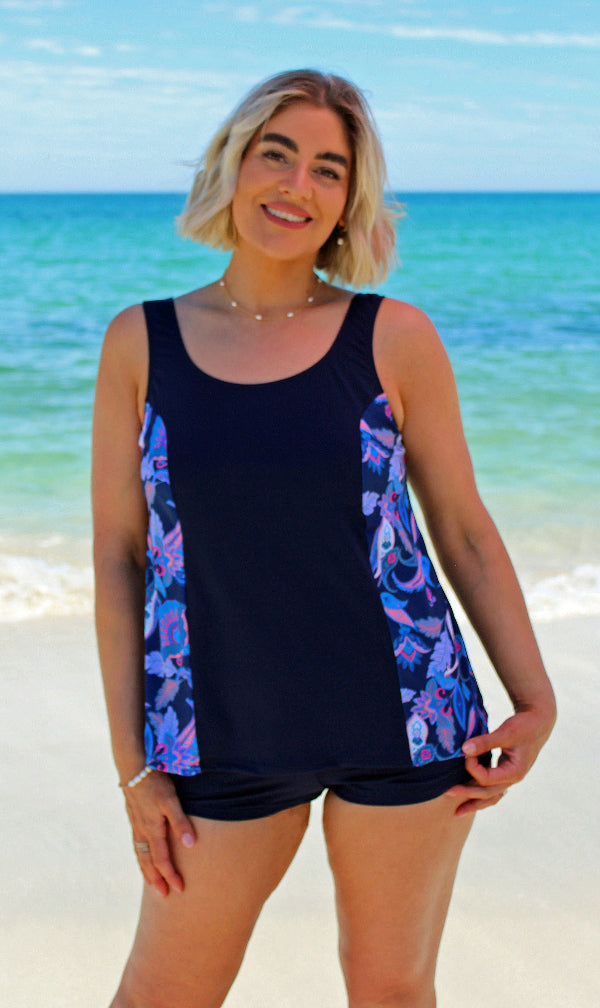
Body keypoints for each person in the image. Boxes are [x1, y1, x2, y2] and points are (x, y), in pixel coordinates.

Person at [92, 69, 556, 1008]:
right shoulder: (140, 342)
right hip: (213, 729)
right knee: (161, 994)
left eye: (328, 169)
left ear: (350, 201)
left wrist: (535, 698)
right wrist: (135, 768)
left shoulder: (392, 336)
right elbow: (121, 560)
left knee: (388, 990)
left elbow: (462, 530)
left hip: (409, 718)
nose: (296, 185)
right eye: (277, 153)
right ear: (235, 161)